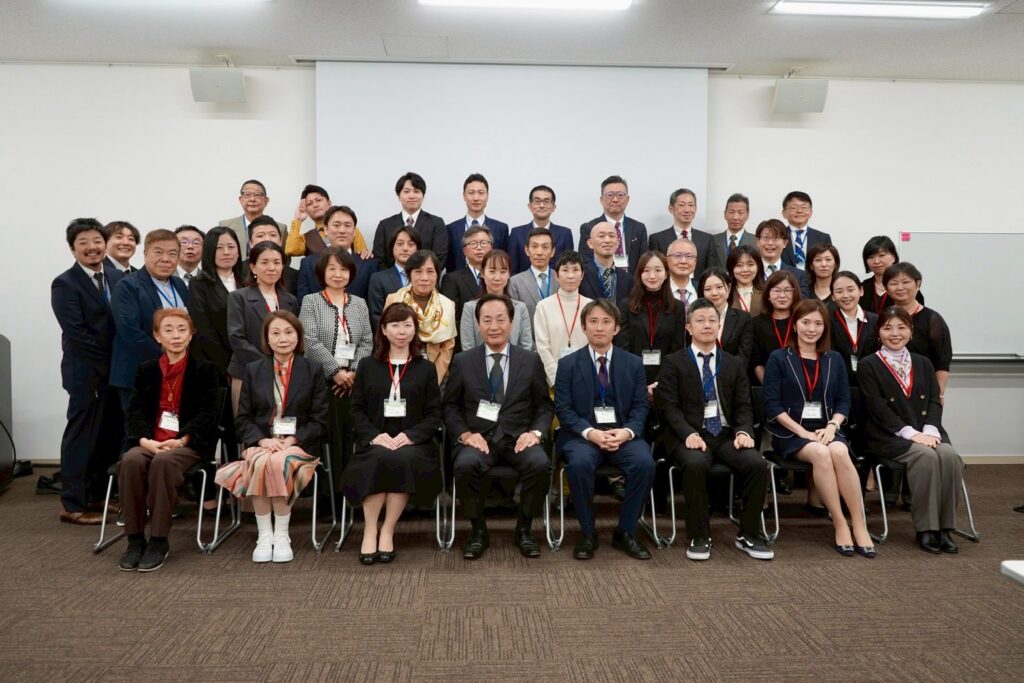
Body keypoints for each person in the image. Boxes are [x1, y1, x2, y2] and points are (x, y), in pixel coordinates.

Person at [655, 298, 773, 561]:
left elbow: (743, 405)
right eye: (700, 320)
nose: (707, 325)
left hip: (727, 434)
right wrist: (688, 434)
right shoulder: (674, 362)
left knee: (757, 464)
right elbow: (669, 407)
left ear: (719, 326)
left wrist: (744, 431)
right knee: (695, 464)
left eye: (712, 320)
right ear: (688, 327)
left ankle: (749, 534)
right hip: (689, 434)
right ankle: (698, 535)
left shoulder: (733, 363)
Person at [444, 294, 554, 559]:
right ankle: (477, 531)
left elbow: (544, 406)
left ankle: (524, 529)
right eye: (487, 320)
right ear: (478, 324)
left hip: (519, 437)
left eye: (500, 320)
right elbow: (449, 407)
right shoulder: (463, 361)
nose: (494, 326)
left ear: (512, 323)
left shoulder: (530, 360)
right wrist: (465, 434)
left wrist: (536, 433)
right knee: (465, 464)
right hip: (479, 438)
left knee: (540, 464)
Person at [762, 300, 875, 557]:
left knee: (839, 451)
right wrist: (803, 433)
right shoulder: (779, 358)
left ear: (825, 327)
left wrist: (833, 426)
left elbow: (843, 401)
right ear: (795, 325)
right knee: (822, 453)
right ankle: (839, 523)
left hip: (828, 429)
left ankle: (859, 524)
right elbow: (772, 405)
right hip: (791, 433)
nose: (811, 329)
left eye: (818, 323)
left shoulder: (834, 359)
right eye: (805, 322)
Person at [217, 311, 327, 563]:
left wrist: (293, 439)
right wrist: (263, 441)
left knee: (277, 462)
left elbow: (320, 420)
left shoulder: (312, 369)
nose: (282, 338)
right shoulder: (254, 370)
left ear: (298, 336)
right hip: (263, 442)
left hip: (298, 444)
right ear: (267, 338)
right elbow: (243, 419)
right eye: (275, 333)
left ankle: (282, 534)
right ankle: (264, 535)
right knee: (260, 461)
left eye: (289, 332)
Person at [117, 309, 219, 572]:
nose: (176, 336)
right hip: (150, 442)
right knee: (130, 460)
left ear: (191, 334)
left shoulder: (205, 369)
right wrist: (144, 441)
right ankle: (135, 539)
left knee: (164, 462)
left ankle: (159, 540)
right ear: (157, 336)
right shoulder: (146, 370)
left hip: (186, 445)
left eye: (182, 330)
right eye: (169, 330)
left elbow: (208, 413)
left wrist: (182, 439)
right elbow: (135, 411)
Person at [341, 303, 443, 564]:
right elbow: (356, 409)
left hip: (414, 443)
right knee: (378, 457)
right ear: (384, 330)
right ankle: (370, 529)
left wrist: (411, 436)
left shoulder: (425, 368)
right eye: (395, 325)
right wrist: (374, 436)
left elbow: (434, 414)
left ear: (415, 330)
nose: (401, 331)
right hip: (375, 439)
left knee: (401, 458)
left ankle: (388, 529)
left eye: (407, 325)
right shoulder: (368, 365)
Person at [857, 306, 965, 554]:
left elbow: (934, 400)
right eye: (888, 328)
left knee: (950, 456)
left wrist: (931, 430)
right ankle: (926, 528)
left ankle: (945, 528)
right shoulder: (868, 365)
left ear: (911, 331)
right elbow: (878, 408)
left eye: (901, 327)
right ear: (878, 333)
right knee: (925, 457)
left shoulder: (923, 362)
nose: (895, 333)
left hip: (927, 430)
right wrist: (913, 435)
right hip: (888, 435)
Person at [555, 299, 655, 560]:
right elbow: (563, 409)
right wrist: (591, 433)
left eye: (606, 322)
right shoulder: (567, 365)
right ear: (584, 327)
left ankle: (626, 532)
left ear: (616, 328)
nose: (599, 327)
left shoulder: (633, 364)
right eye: (593, 322)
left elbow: (640, 407)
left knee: (644, 463)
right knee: (578, 465)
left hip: (623, 435)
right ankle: (588, 533)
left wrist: (626, 432)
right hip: (583, 437)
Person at [51, 217, 125, 525]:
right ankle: (73, 504)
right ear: (72, 249)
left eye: (97, 241)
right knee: (82, 438)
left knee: (107, 438)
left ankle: (96, 496)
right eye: (83, 243)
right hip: (86, 373)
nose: (92, 247)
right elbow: (78, 334)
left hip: (115, 373)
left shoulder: (116, 277)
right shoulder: (65, 284)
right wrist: (111, 365)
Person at [298, 248, 374, 475]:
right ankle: (327, 490)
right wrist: (335, 372)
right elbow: (309, 340)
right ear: (322, 272)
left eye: (343, 269)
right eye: (332, 269)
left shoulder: (359, 303)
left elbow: (367, 341)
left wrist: (352, 372)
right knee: (328, 437)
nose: (338, 274)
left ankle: (352, 485)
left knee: (351, 434)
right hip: (321, 383)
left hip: (353, 383)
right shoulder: (311, 301)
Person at [111, 229, 189, 413]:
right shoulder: (128, 285)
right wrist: (167, 359)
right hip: (139, 373)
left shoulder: (179, 284)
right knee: (140, 429)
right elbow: (129, 331)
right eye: (158, 252)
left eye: (172, 254)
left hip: (177, 373)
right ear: (145, 254)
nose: (166, 259)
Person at [226, 241, 300, 414]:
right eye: (264, 262)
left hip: (285, 374)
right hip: (247, 372)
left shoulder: (290, 300)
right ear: (253, 267)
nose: (271, 268)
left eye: (277, 262)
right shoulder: (238, 298)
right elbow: (237, 338)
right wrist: (269, 365)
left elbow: (296, 337)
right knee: (248, 426)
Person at [614, 251, 685, 407]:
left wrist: (659, 382)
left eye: (658, 270)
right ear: (639, 274)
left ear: (666, 274)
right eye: (646, 270)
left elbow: (677, 349)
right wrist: (639, 382)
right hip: (632, 380)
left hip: (666, 382)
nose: (652, 275)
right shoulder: (626, 306)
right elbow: (622, 346)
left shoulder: (678, 307)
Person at [384, 250, 458, 384]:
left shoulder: (447, 305)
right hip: (398, 370)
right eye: (418, 271)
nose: (424, 277)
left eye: (430, 271)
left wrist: (433, 380)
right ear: (409, 274)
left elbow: (447, 347)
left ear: (437, 275)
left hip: (436, 372)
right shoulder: (394, 300)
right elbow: (386, 339)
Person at [884, 262, 952, 402]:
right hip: (888, 391)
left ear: (918, 283)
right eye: (894, 283)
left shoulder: (933, 319)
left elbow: (942, 362)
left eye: (905, 282)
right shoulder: (882, 318)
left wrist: (938, 395)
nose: (900, 287)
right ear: (886, 288)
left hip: (922, 391)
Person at [534, 251, 593, 387]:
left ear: (582, 275)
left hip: (586, 378)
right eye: (565, 270)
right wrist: (557, 379)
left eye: (575, 270)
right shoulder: (543, 306)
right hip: (553, 381)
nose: (570, 276)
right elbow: (542, 347)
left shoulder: (591, 306)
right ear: (556, 275)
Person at [297, 205, 377, 301]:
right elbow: (302, 302)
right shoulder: (308, 263)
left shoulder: (369, 263)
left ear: (354, 232)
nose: (342, 231)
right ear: (326, 230)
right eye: (336, 225)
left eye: (347, 226)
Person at [372, 171, 448, 268]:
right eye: (406, 191)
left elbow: (439, 259)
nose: (411, 196)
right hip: (390, 277)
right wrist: (393, 277)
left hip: (425, 277)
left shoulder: (436, 223)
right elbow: (378, 260)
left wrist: (419, 275)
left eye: (416, 191)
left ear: (423, 195)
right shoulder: (385, 225)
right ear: (399, 196)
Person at [461, 250, 533, 351]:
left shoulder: (520, 308)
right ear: (482, 273)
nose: (497, 278)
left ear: (509, 274)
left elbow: (526, 346)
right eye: (492, 271)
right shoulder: (470, 308)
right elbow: (468, 348)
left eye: (503, 272)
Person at [578, 175, 648, 270]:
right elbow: (585, 262)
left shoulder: (638, 228)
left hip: (632, 279)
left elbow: (644, 263)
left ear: (627, 199)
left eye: (620, 195)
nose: (615, 199)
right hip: (600, 278)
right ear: (601, 200)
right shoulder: (589, 228)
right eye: (610, 195)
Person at [284, 183, 370, 258]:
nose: (315, 205)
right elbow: (290, 250)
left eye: (318, 200)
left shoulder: (348, 230)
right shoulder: (306, 238)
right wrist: (298, 220)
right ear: (306, 209)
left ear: (329, 203)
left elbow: (362, 257)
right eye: (309, 204)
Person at [446, 173, 509, 272]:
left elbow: (504, 262)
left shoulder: (501, 229)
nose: (476, 198)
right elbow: (449, 264)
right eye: (471, 193)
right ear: (464, 196)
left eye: (481, 193)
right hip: (458, 280)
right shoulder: (451, 229)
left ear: (487, 196)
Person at [649, 188, 717, 277]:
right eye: (682, 205)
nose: (687, 210)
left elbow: (711, 272)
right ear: (671, 209)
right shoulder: (657, 239)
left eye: (691, 205)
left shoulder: (707, 239)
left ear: (695, 208)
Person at [507, 185, 574, 274]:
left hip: (555, 282)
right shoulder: (516, 233)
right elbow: (512, 269)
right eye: (537, 201)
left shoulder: (565, 234)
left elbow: (568, 268)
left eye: (546, 201)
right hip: (523, 282)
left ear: (553, 207)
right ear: (530, 206)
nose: (542, 205)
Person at [750, 270, 802, 384]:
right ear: (768, 295)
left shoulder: (802, 321)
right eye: (777, 290)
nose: (782, 295)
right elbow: (756, 361)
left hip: (801, 384)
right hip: (768, 384)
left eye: (787, 290)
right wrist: (770, 386)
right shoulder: (756, 324)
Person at [828, 271, 879, 383]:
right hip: (839, 380)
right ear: (833, 296)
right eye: (839, 291)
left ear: (861, 291)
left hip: (871, 380)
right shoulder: (827, 321)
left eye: (850, 290)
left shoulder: (876, 320)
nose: (846, 295)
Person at [218, 179, 288, 258]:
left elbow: (285, 258)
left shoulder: (280, 228)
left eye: (257, 195)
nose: (252, 199)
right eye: (247, 195)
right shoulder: (225, 226)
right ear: (240, 200)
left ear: (266, 200)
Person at [367, 226, 421, 328]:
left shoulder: (426, 279)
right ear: (392, 248)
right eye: (400, 244)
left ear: (418, 249)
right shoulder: (378, 279)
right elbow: (376, 317)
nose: (405, 248)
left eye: (411, 244)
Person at [440, 224, 492, 330]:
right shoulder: (451, 279)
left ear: (491, 247)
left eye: (483, 243)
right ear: (464, 251)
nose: (479, 248)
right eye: (473, 244)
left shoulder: (501, 278)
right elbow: (450, 319)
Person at [698, 267, 753, 364]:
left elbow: (744, 356)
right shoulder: (695, 319)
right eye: (708, 289)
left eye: (719, 287)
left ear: (729, 287)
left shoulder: (743, 319)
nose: (714, 293)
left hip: (735, 371)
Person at [860, 235, 924, 315]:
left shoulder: (907, 287)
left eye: (881, 255)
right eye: (871, 257)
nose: (876, 261)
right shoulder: (863, 287)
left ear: (893, 257)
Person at [508, 227, 560, 320]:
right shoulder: (514, 283)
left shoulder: (562, 279)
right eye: (534, 246)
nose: (539, 252)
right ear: (527, 250)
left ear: (552, 251)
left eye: (545, 247)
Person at [244, 216, 300, 295]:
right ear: (250, 243)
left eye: (273, 235)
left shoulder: (294, 276)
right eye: (260, 236)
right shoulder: (238, 270)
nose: (267, 239)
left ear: (280, 241)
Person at [580, 221, 634, 302]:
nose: (607, 240)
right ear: (590, 243)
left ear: (618, 243)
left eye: (611, 236)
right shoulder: (581, 276)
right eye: (601, 236)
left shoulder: (628, 279)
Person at [755, 219, 809, 297]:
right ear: (757, 242)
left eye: (775, 238)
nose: (770, 243)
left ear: (785, 243)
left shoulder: (799, 276)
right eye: (766, 238)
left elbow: (802, 303)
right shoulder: (750, 273)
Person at [780, 191, 832, 270]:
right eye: (794, 208)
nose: (799, 211)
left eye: (804, 207)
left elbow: (828, 264)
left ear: (811, 212)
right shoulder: (778, 237)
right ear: (784, 213)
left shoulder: (823, 238)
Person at [710, 193, 756, 267]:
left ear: (747, 215)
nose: (735, 217)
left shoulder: (756, 242)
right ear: (725, 214)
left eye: (740, 213)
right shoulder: (712, 240)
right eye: (731, 212)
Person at [727, 244, 765, 317]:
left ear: (758, 266)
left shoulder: (767, 292)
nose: (745, 270)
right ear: (731, 268)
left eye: (750, 264)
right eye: (739, 265)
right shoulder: (726, 293)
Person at [665, 238, 700, 308]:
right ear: (667, 260)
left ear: (695, 261)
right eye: (678, 256)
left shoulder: (703, 289)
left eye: (689, 256)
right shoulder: (658, 290)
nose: (683, 261)